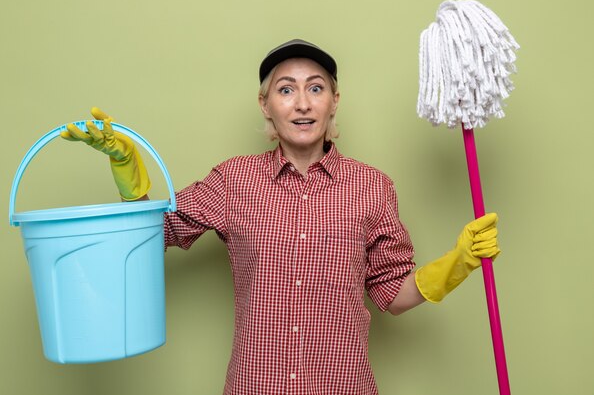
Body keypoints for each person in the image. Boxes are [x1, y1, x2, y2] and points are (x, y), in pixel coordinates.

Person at [62, 39, 500, 395]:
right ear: (265, 104)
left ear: (334, 101)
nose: (302, 103)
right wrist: (128, 175)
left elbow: (392, 294)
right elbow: (158, 232)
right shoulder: (234, 180)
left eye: (316, 88)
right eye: (286, 89)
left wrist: (458, 262)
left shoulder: (373, 187)